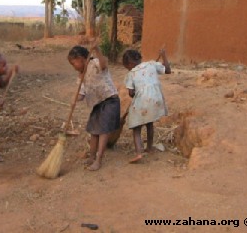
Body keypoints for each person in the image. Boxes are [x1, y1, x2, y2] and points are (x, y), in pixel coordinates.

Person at [68, 43, 120, 171]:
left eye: (74, 63)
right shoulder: (81, 76)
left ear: (81, 59)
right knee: (94, 131)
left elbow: (104, 64)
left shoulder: (96, 63)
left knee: (103, 131)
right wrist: (75, 99)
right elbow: (81, 93)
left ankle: (98, 159)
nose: (73, 67)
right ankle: (91, 157)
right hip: (97, 104)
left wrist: (97, 50)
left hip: (109, 101)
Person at [122, 48, 171, 163]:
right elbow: (168, 70)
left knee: (136, 127)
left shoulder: (131, 73)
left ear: (129, 64)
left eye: (127, 67)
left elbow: (131, 93)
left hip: (142, 101)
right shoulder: (152, 64)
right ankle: (149, 147)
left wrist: (135, 92)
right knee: (149, 123)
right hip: (156, 100)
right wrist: (164, 55)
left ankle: (139, 153)